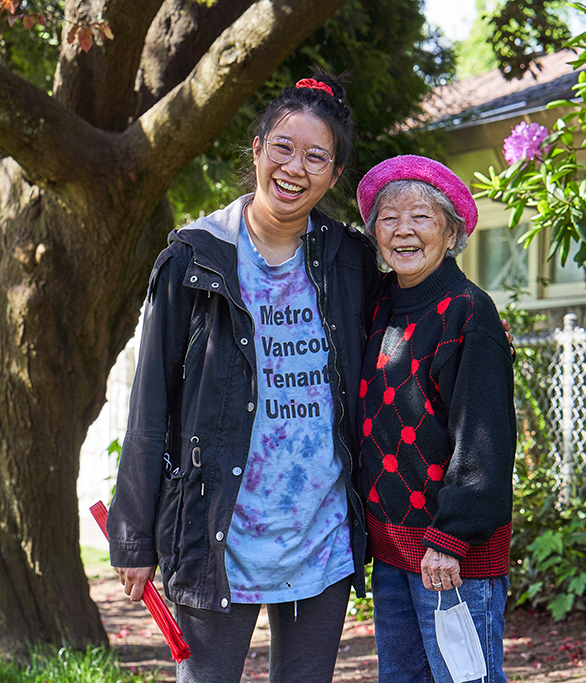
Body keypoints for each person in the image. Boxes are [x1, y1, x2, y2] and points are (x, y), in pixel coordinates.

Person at [106, 72, 377, 683]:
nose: (294, 167)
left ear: (333, 177)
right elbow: (150, 405)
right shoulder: (192, 259)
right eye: (282, 146)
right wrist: (134, 535)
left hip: (321, 535)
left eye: (316, 156)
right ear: (256, 149)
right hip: (214, 530)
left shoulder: (350, 261)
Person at [355, 155, 517, 683]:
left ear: (450, 233)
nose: (403, 230)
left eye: (421, 217)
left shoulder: (470, 312)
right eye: (388, 217)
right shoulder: (379, 304)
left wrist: (450, 540)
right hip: (395, 549)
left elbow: (484, 443)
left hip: (452, 555)